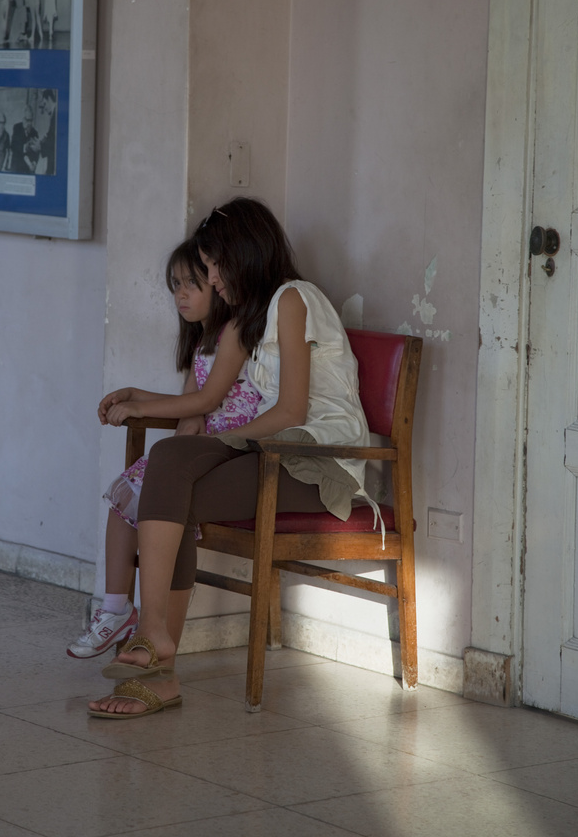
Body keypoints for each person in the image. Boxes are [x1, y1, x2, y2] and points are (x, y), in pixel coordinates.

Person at [88, 197, 370, 718]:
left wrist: (223, 441)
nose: (212, 279)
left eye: (214, 266)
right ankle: (157, 648)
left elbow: (289, 410)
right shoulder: (255, 317)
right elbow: (219, 402)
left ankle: (158, 658)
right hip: (274, 453)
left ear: (240, 255)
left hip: (316, 462)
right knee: (173, 466)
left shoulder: (292, 299)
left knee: (179, 470)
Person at [68, 237, 260, 660]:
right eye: (175, 284)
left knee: (146, 489)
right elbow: (189, 413)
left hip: (231, 449)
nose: (182, 293)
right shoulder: (202, 344)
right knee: (124, 495)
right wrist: (140, 400)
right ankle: (116, 608)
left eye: (194, 282)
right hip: (200, 448)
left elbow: (208, 403)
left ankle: (147, 631)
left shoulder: (238, 331)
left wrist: (140, 403)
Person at [9, 105, 40, 173]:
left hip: (28, 169)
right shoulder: (17, 128)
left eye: (31, 120)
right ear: (23, 119)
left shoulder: (35, 133)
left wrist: (34, 163)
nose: (29, 123)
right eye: (27, 120)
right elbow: (13, 146)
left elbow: (37, 152)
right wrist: (23, 147)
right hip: (16, 166)